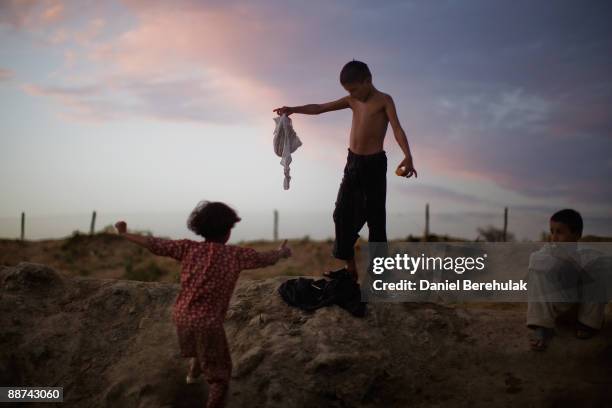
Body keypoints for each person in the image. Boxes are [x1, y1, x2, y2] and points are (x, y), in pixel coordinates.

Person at [114, 201, 291, 408]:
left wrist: (124, 234)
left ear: (200, 228)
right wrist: (282, 251)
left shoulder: (187, 248)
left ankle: (192, 375)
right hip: (208, 323)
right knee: (220, 378)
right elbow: (265, 258)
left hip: (181, 315)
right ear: (227, 231)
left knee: (201, 347)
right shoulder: (236, 255)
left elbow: (154, 244)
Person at [273, 60, 417, 282]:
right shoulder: (352, 101)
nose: (352, 94)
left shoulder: (384, 100)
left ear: (368, 81)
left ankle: (380, 276)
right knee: (341, 214)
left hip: (374, 166)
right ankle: (350, 270)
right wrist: (293, 109)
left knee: (376, 221)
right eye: (348, 91)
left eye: (354, 89)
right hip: (353, 164)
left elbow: (397, 128)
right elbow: (320, 108)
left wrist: (408, 155)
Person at [527, 209, 606, 351]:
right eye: (552, 231)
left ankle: (588, 324)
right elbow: (535, 259)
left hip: (581, 310)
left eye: (560, 232)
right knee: (537, 266)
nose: (554, 237)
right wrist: (561, 262)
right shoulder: (548, 251)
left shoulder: (588, 253)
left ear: (577, 234)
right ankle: (542, 326)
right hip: (559, 308)